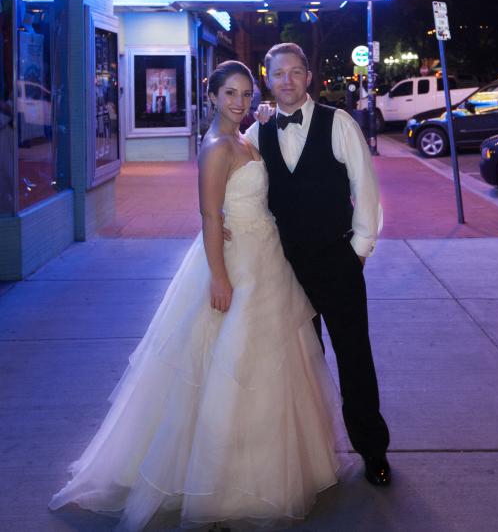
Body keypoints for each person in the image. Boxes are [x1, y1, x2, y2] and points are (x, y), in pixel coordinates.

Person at [49, 60, 340, 530]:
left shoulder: (242, 137)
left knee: (275, 363)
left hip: (265, 256)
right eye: (231, 94)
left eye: (246, 94)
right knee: (230, 364)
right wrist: (219, 277)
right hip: (236, 264)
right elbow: (208, 216)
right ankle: (223, 478)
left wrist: (260, 118)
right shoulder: (214, 148)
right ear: (211, 97)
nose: (240, 102)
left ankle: (266, 459)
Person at [244, 42, 391, 487]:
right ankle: (308, 457)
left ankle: (372, 451)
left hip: (336, 259)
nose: (286, 80)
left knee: (354, 358)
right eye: (277, 74)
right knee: (300, 363)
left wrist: (360, 249)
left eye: (294, 72)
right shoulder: (256, 132)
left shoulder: (338, 122)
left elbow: (364, 185)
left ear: (308, 77)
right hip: (283, 267)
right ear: (267, 81)